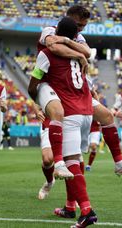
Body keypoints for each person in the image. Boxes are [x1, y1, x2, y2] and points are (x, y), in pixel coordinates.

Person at [34, 5, 122, 179]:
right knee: (64, 156)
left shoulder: (77, 37)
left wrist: (70, 43)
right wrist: (78, 54)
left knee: (107, 116)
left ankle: (119, 163)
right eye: (78, 25)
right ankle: (59, 168)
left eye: (83, 27)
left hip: (76, 88)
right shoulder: (49, 30)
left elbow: (88, 52)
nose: (80, 30)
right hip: (56, 88)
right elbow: (52, 46)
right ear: (68, 19)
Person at [29, 17, 97, 227]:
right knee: (75, 159)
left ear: (56, 31)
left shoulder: (46, 54)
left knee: (70, 163)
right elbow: (87, 59)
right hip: (84, 111)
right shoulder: (81, 56)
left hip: (67, 115)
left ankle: (86, 211)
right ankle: (70, 206)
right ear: (75, 36)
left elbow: (35, 82)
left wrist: (38, 100)